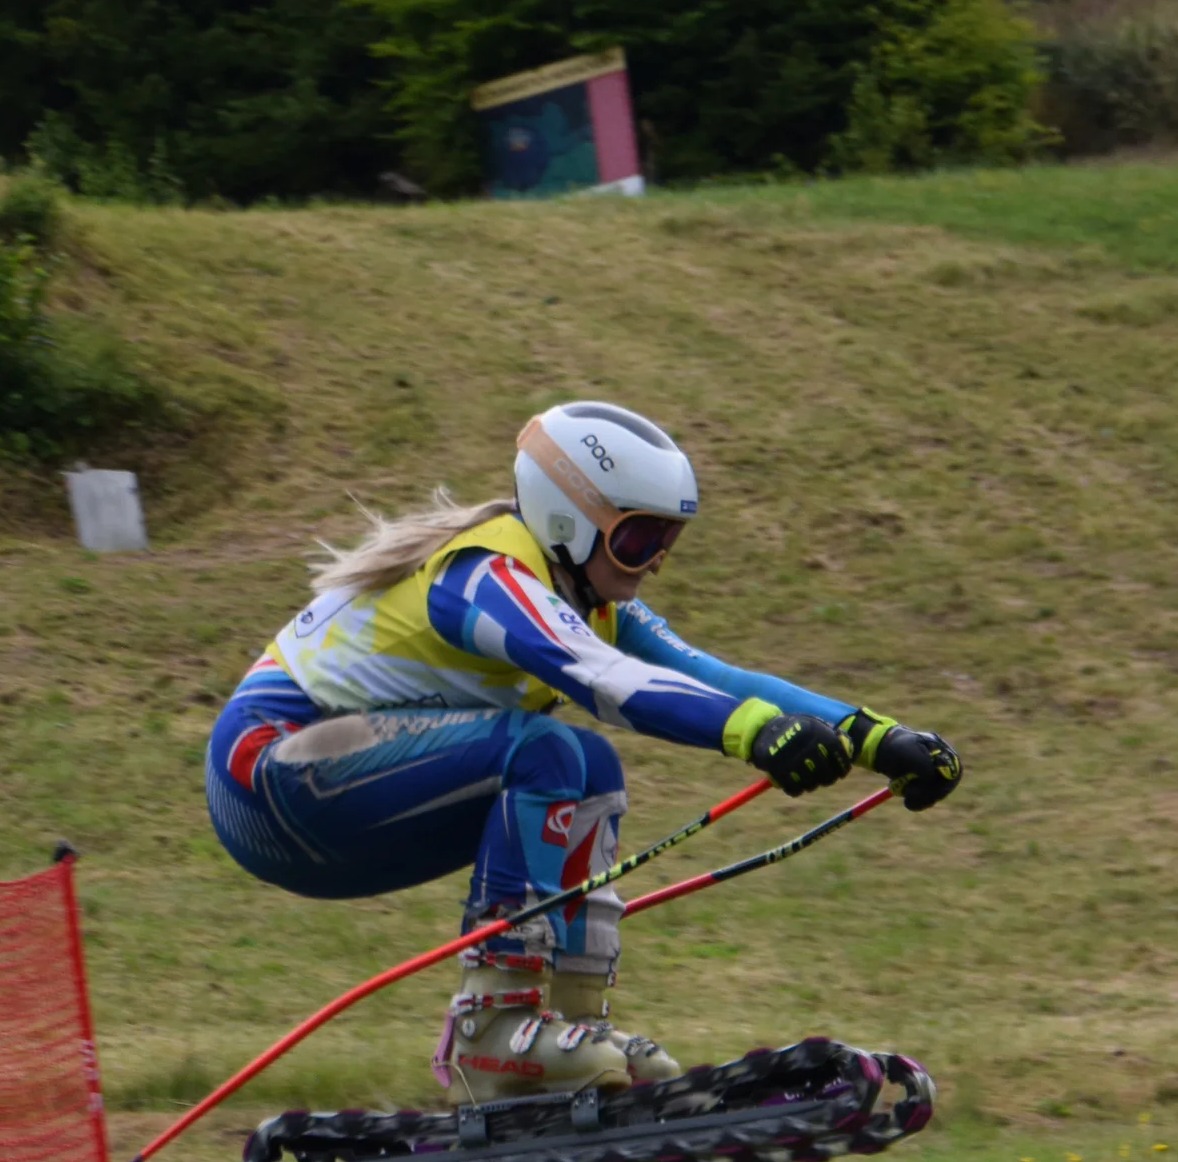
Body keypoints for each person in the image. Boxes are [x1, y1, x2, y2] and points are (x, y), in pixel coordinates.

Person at [206, 401, 962, 1101]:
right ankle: (490, 1033)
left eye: (668, 540)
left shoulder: (586, 594)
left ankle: (570, 1027)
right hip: (269, 778)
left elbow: (709, 674)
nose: (655, 560)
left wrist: (878, 737)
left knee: (591, 768)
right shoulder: (486, 574)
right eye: (639, 537)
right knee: (547, 750)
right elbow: (606, 681)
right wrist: (753, 733)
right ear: (570, 519)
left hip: (335, 803)